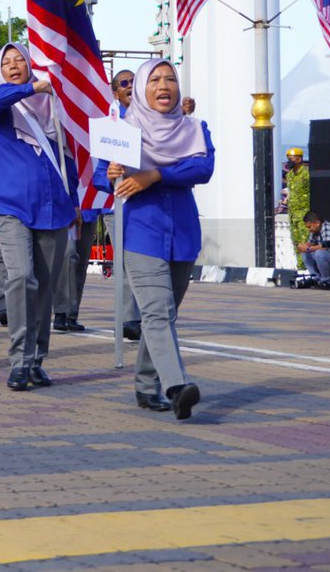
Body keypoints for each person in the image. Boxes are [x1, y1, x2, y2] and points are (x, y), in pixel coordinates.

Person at [96, 58, 214, 419]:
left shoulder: (193, 127)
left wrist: (154, 175)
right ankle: (176, 386)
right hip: (141, 230)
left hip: (182, 232)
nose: (164, 87)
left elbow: (203, 167)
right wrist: (113, 172)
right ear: (142, 90)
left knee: (164, 314)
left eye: (170, 79)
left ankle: (147, 386)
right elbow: (101, 175)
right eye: (155, 80)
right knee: (156, 311)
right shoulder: (123, 130)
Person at [0, 43, 76, 390]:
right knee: (22, 277)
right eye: (6, 62)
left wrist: (76, 202)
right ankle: (19, 361)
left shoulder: (53, 106)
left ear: (30, 63)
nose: (12, 65)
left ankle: (37, 360)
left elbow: (69, 159)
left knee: (45, 287)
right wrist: (30, 88)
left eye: (19, 59)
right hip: (9, 205)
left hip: (52, 206)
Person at [101, 69, 142, 341]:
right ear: (115, 93)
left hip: (146, 203)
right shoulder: (110, 127)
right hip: (117, 205)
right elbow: (98, 173)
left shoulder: (153, 121)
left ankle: (146, 315)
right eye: (124, 83)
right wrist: (110, 176)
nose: (130, 86)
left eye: (134, 82)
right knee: (127, 262)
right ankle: (130, 318)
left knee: (144, 262)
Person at [297, 211, 330, 289]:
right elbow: (310, 243)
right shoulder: (315, 230)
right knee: (305, 253)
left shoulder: (327, 226)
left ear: (317, 223)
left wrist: (308, 248)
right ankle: (316, 278)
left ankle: (326, 282)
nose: (309, 229)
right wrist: (302, 246)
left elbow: (327, 245)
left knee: (320, 253)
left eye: (309, 227)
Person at [285, 147, 311, 267]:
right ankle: (300, 268)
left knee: (305, 243)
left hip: (304, 214)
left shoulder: (306, 172)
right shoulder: (289, 175)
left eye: (291, 159)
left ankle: (308, 268)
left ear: (299, 159)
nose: (289, 161)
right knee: (296, 244)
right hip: (293, 215)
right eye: (288, 159)